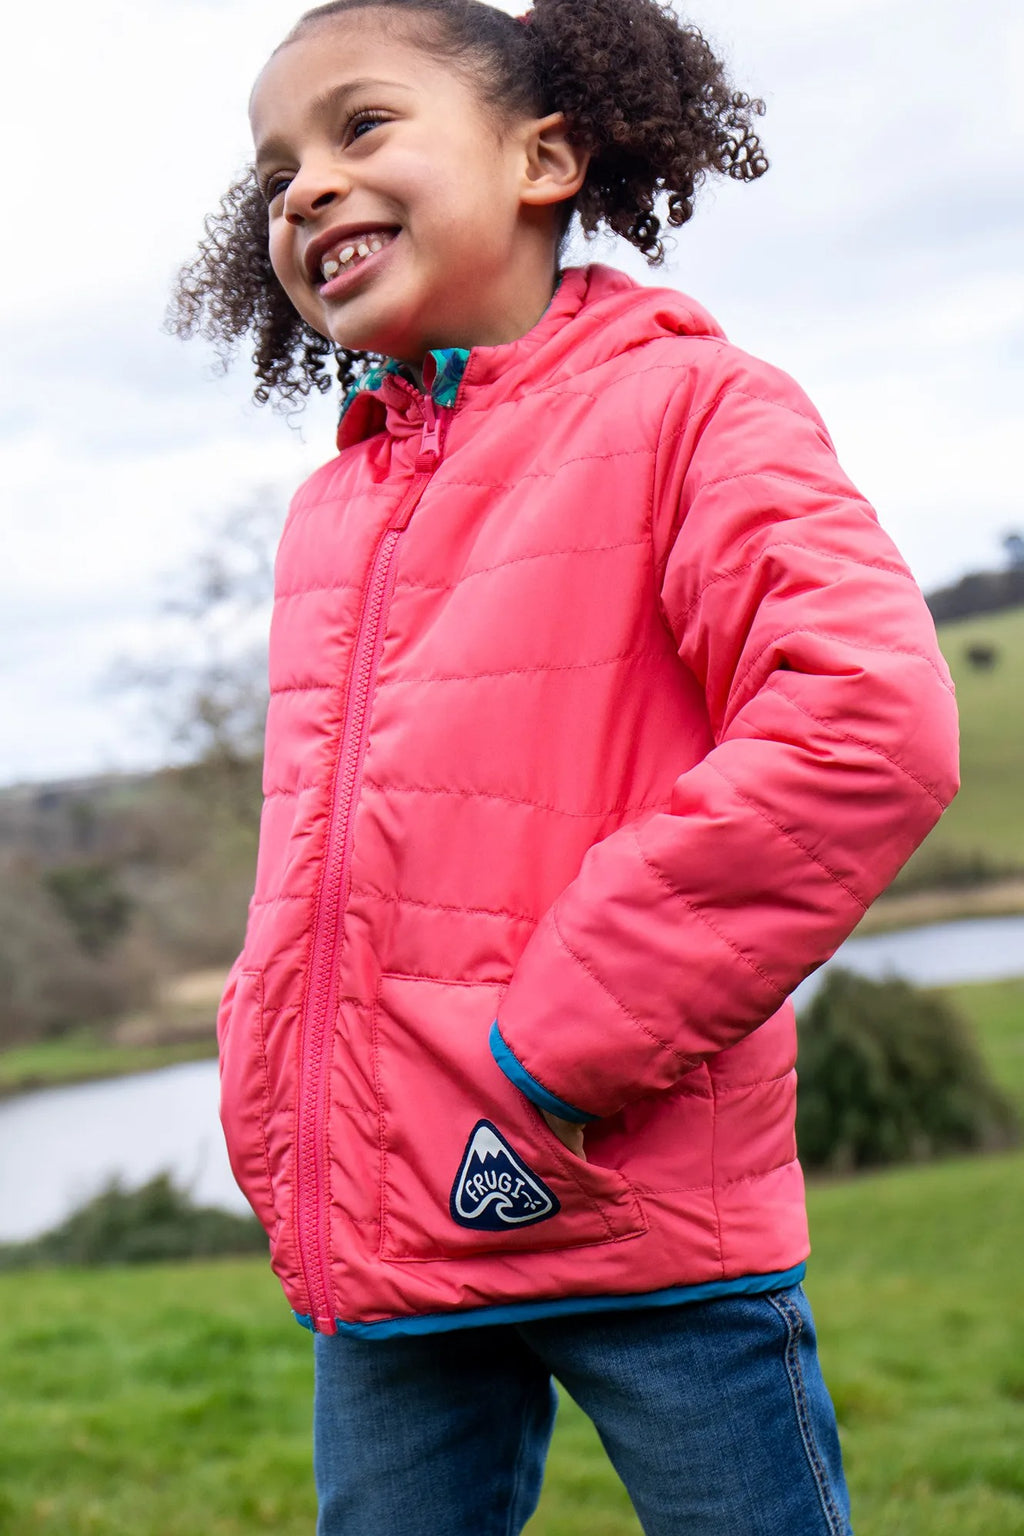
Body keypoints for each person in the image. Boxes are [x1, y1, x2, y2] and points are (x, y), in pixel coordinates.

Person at [171, 1, 959, 1530]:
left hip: (626, 1199)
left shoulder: (692, 408)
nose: (304, 187)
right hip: (391, 1242)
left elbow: (865, 719)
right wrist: (273, 1094)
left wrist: (557, 1060)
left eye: (361, 126)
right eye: (274, 171)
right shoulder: (330, 512)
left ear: (544, 156)